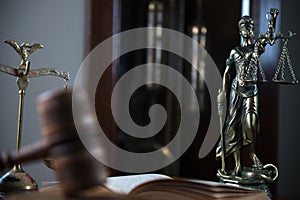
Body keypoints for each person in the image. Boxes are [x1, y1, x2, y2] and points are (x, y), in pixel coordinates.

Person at [216, 15, 272, 176]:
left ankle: (252, 154)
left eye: (249, 26)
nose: (246, 29)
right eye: (243, 26)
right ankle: (237, 165)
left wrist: (272, 20)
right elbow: (227, 73)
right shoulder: (235, 51)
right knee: (234, 125)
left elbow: (268, 37)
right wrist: (223, 92)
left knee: (250, 121)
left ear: (252, 29)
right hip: (236, 89)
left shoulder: (256, 48)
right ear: (239, 30)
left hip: (251, 90)